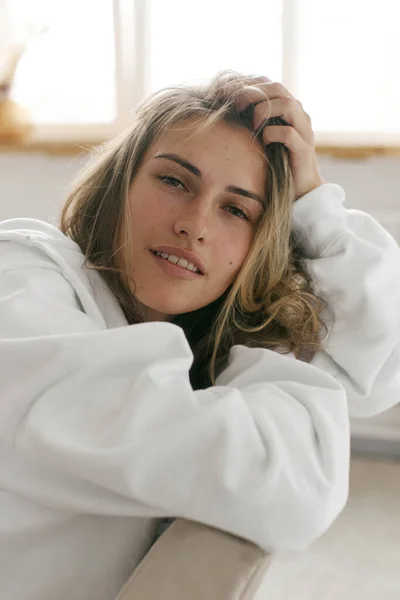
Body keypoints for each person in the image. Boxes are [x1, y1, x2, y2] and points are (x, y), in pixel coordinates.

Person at [0, 71, 399, 600]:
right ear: (120, 183)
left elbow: (382, 365)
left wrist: (314, 202)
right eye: (174, 181)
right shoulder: (23, 272)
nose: (195, 224)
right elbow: (288, 484)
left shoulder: (207, 349)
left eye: (236, 209)